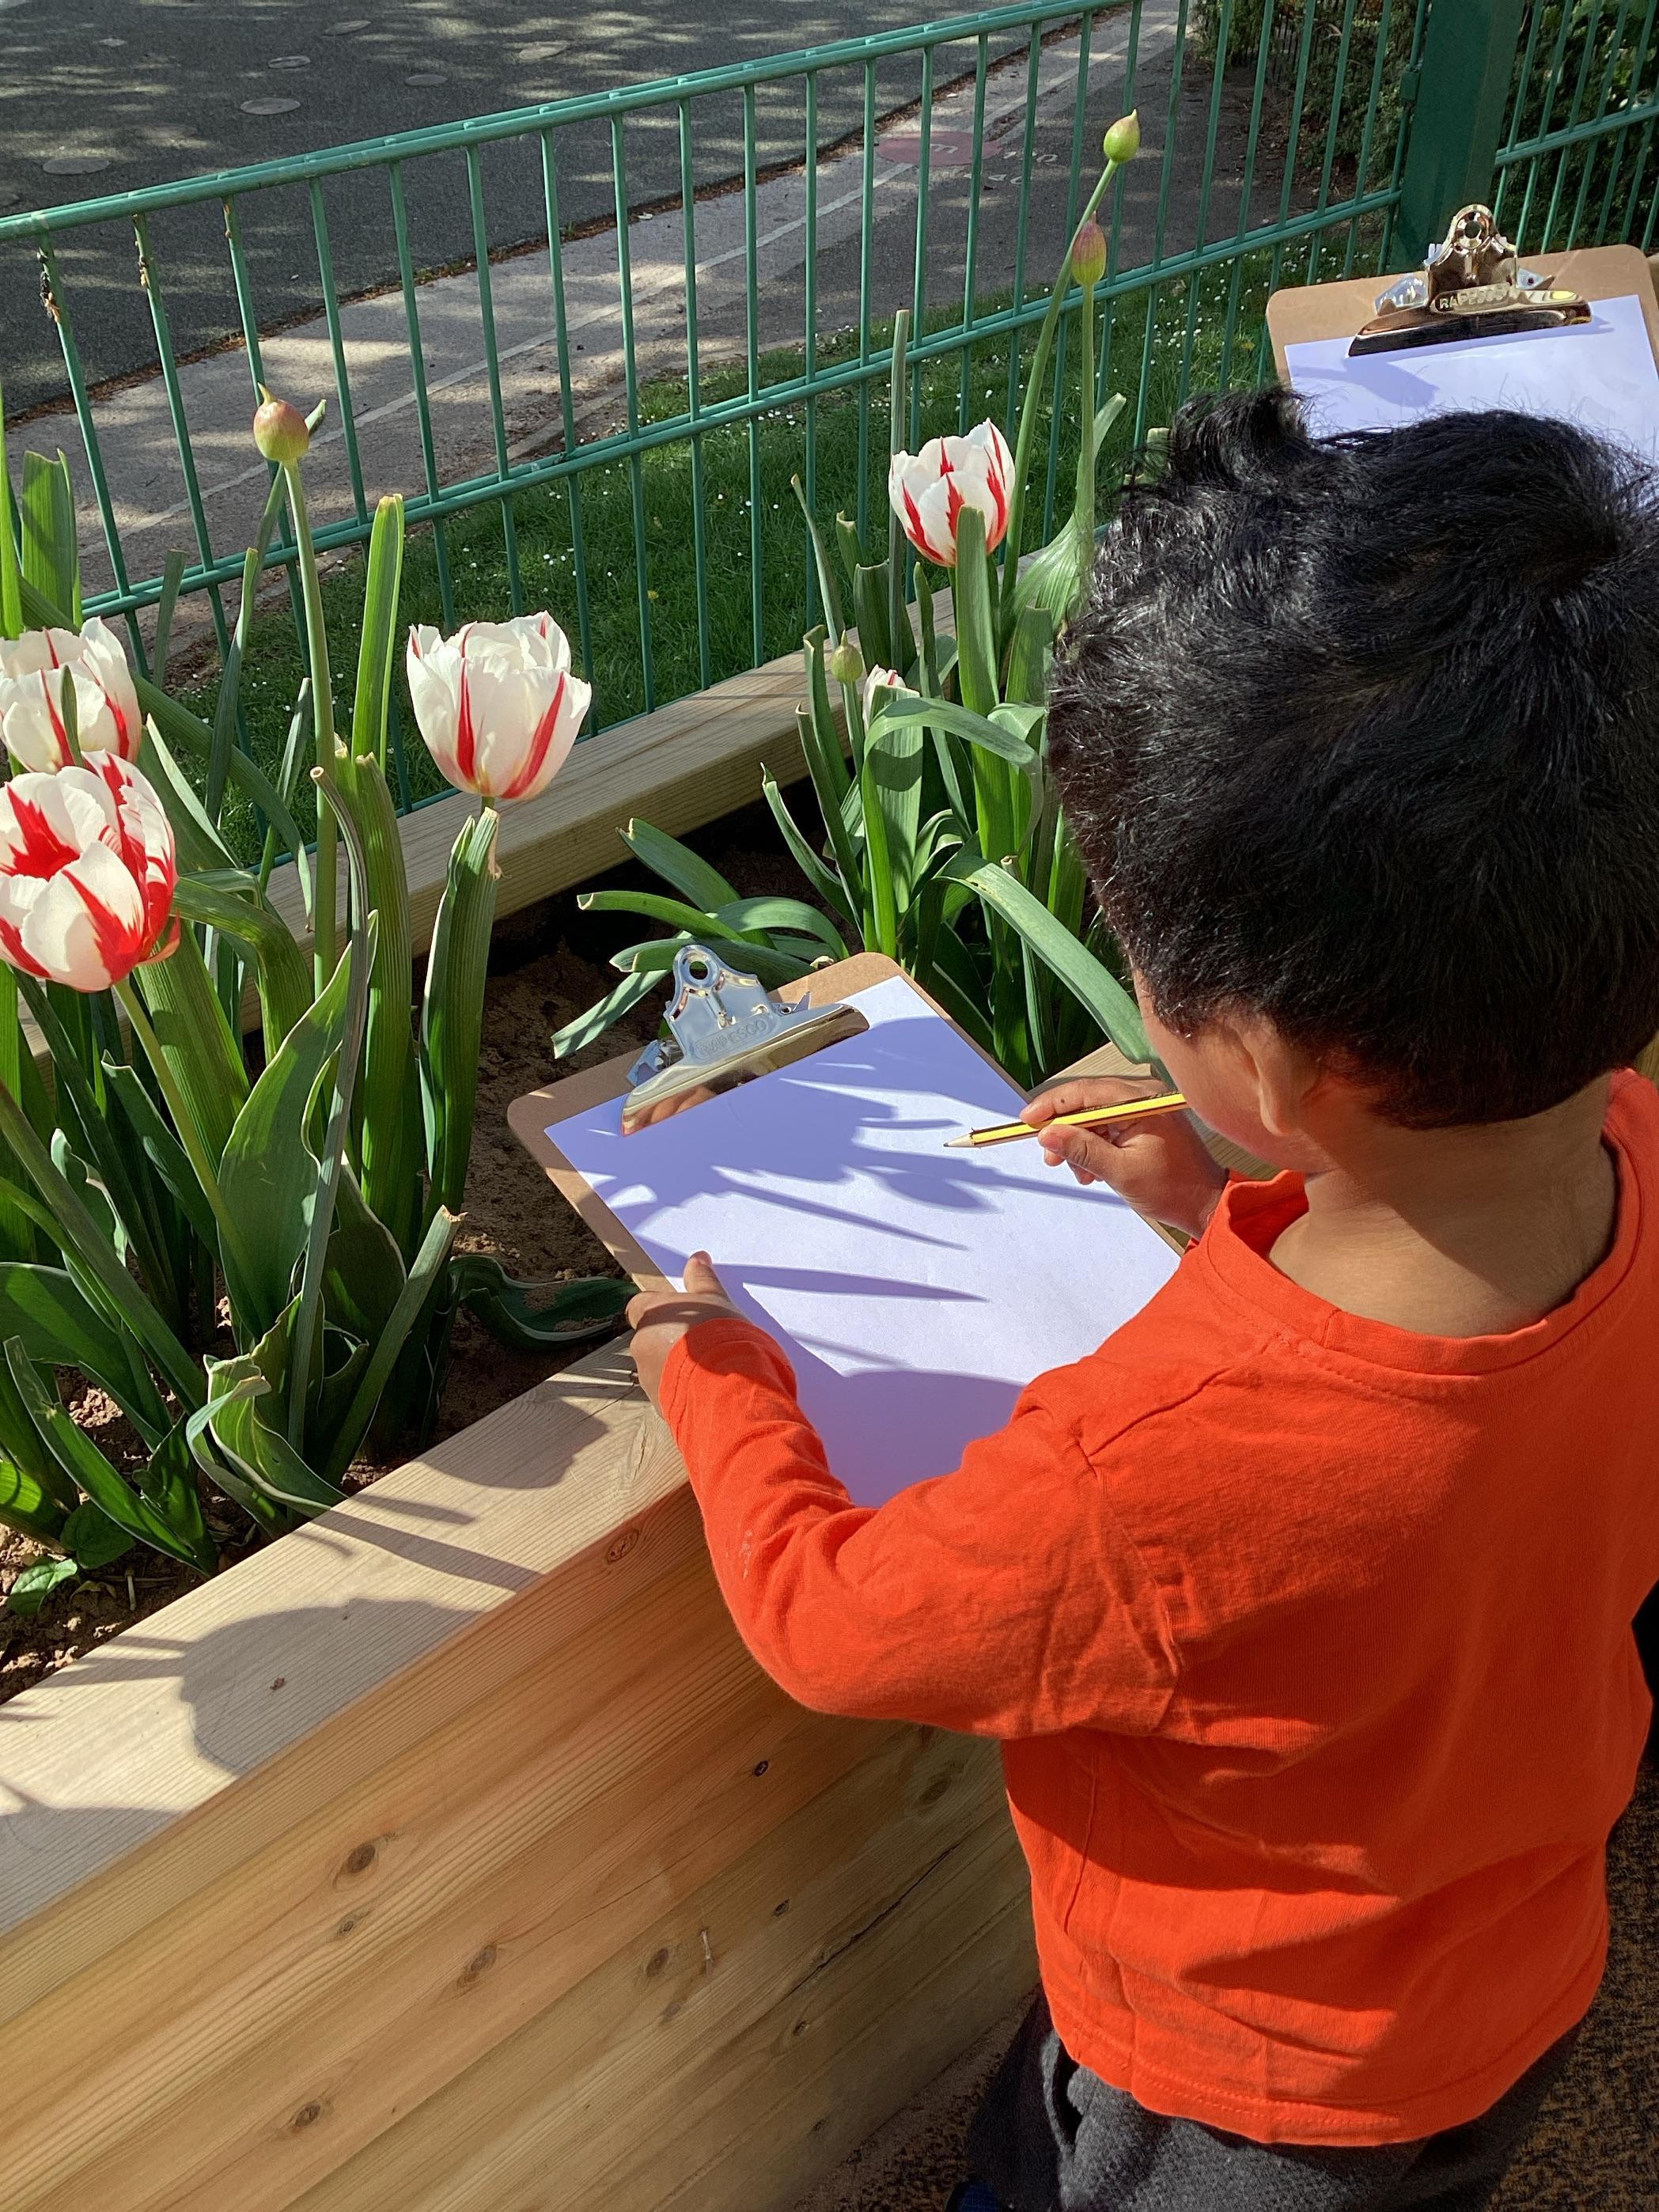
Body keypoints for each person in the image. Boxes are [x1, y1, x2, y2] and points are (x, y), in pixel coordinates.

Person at [623, 391, 1659, 2211]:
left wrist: (711, 1371)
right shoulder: (1630, 1149)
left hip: (1235, 2091)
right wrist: (1221, 1192)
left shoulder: (1158, 1459)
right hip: (1505, 1962)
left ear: (1259, 1055)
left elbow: (839, 1627)